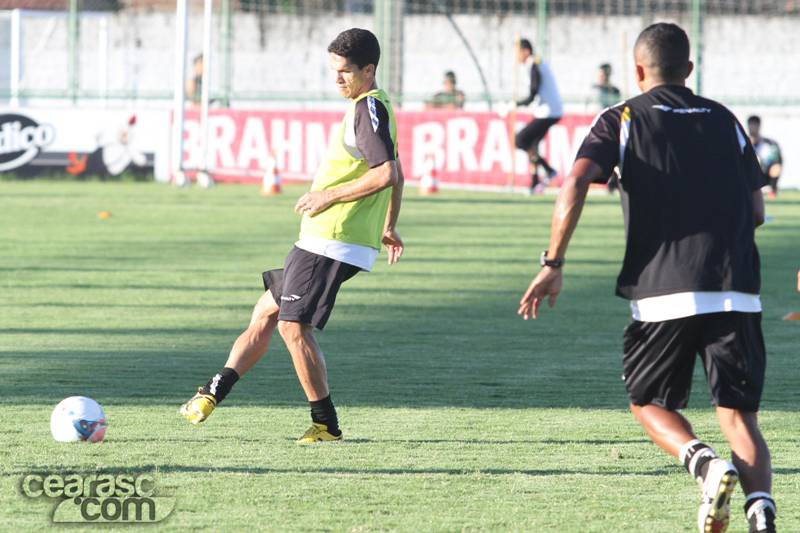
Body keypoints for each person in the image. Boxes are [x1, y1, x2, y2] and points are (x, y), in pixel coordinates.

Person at [518, 23, 775, 533]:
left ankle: (706, 465)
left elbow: (573, 184)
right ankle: (762, 516)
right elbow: (758, 212)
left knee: (648, 403)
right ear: (690, 71)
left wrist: (553, 262)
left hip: (664, 290)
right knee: (739, 417)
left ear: (638, 71)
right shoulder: (725, 120)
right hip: (738, 289)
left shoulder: (624, 117)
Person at [180, 28, 405, 443]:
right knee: (265, 312)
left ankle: (325, 425)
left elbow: (387, 173)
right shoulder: (367, 106)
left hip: (333, 238)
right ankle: (212, 392)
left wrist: (328, 195)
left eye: (345, 72)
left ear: (369, 70)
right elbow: (396, 171)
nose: (337, 79)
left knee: (292, 327)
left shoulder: (367, 109)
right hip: (325, 237)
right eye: (333, 70)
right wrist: (388, 224)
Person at [514, 39, 563, 195]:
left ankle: (549, 170)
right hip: (548, 111)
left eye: (518, 52)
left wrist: (515, 104)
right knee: (532, 146)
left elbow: (533, 93)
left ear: (526, 51)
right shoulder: (533, 65)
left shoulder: (534, 64)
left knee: (520, 140)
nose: (516, 56)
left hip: (549, 112)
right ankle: (535, 184)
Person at [747, 116, 782, 198]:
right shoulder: (744, 143)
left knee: (776, 167)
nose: (752, 127)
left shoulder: (769, 144)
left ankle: (772, 189)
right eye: (751, 125)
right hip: (750, 173)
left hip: (764, 173)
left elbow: (778, 159)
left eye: (754, 124)